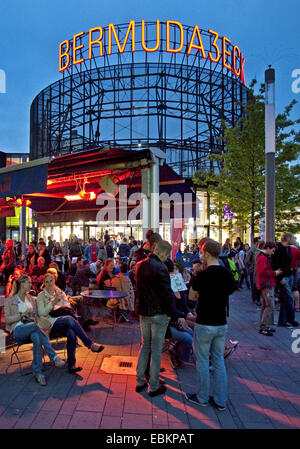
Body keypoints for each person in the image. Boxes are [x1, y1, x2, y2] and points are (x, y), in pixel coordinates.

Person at [185, 239, 235, 411]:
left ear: (206, 253)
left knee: (203, 360)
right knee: (219, 360)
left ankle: (202, 396)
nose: (200, 256)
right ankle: (221, 400)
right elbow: (230, 291)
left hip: (205, 323)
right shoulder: (227, 274)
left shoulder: (202, 275)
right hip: (221, 323)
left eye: (201, 253)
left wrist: (202, 296)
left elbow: (191, 297)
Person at [37, 273, 104, 374]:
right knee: (69, 319)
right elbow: (42, 313)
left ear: (54, 280)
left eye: (51, 281)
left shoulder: (60, 292)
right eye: (46, 282)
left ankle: (72, 365)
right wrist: (53, 303)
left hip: (63, 320)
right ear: (44, 283)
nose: (49, 283)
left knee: (71, 332)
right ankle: (90, 344)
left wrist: (59, 307)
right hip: (50, 323)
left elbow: (67, 306)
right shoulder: (41, 296)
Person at [4, 274, 65, 386]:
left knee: (36, 337)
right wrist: (21, 315)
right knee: (38, 327)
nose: (31, 285)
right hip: (18, 330)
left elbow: (38, 314)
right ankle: (54, 357)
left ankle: (38, 374)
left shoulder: (31, 298)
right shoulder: (10, 299)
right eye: (29, 283)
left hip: (32, 327)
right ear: (22, 284)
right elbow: (7, 320)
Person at [135, 240, 174, 397]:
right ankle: (154, 385)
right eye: (167, 255)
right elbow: (166, 294)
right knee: (156, 349)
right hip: (159, 313)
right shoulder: (161, 268)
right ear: (163, 253)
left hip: (144, 312)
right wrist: (172, 313)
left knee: (145, 346)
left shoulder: (140, 265)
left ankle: (140, 381)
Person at [272, 232, 299, 328]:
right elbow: (275, 264)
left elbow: (287, 263)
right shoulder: (280, 249)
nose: (294, 239)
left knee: (285, 299)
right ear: (287, 238)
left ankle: (286, 320)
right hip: (284, 277)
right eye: (292, 238)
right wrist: (280, 278)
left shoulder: (288, 249)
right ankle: (288, 320)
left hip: (288, 275)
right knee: (289, 298)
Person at [256, 242, 282, 336]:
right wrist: (274, 273)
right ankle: (263, 327)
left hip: (265, 284)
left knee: (265, 305)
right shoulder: (263, 258)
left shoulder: (261, 257)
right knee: (269, 305)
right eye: (272, 250)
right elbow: (263, 272)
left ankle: (263, 326)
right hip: (266, 284)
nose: (273, 253)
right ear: (268, 248)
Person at [245, 237, 261, 305]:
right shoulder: (252, 250)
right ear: (256, 242)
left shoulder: (258, 250)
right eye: (259, 241)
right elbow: (246, 261)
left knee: (256, 285)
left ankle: (256, 298)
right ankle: (254, 299)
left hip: (257, 270)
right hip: (253, 271)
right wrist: (251, 268)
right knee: (254, 285)